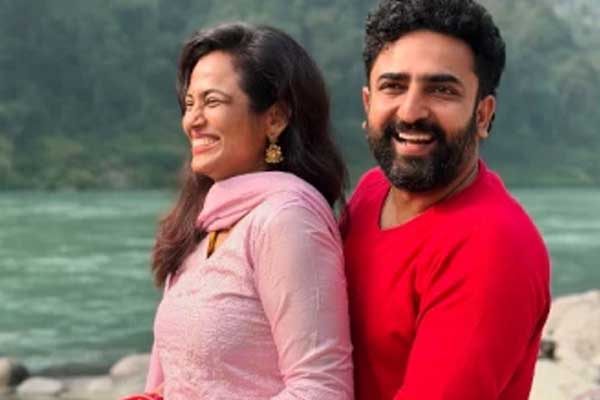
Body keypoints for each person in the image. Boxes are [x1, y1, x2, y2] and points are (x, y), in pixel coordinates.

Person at [342, 0, 551, 399]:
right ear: (368, 103)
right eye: (393, 86)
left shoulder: (493, 246)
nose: (411, 112)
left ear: (483, 115)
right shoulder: (372, 191)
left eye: (441, 90)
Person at [139, 22, 353, 399]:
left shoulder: (287, 219)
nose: (192, 120)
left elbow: (320, 388)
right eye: (189, 104)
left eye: (212, 102)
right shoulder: (206, 223)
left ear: (275, 118)